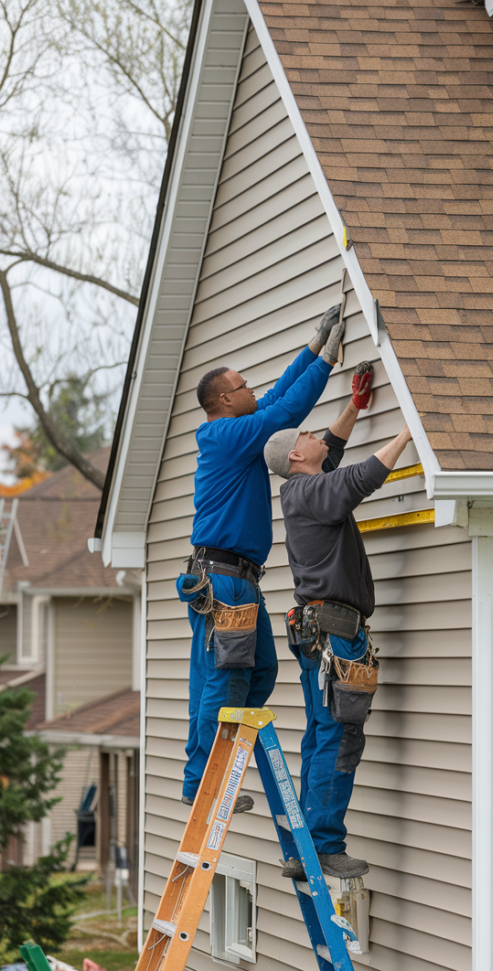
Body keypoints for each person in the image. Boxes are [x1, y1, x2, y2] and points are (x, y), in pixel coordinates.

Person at [176, 306, 344, 806]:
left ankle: (202, 776)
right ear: (225, 399)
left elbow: (270, 402)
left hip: (234, 578)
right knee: (225, 681)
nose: (253, 389)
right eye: (244, 385)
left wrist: (314, 348)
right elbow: (280, 414)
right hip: (223, 579)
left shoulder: (236, 433)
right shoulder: (226, 435)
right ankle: (209, 786)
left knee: (256, 674)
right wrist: (328, 363)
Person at [264, 367, 412, 878]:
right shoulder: (310, 494)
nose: (316, 434)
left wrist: (356, 406)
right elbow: (359, 479)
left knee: (319, 735)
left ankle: (304, 845)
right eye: (307, 434)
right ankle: (324, 846)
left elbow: (333, 448)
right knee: (338, 736)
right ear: (296, 457)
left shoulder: (304, 490)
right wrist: (410, 428)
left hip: (319, 633)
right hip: (335, 636)